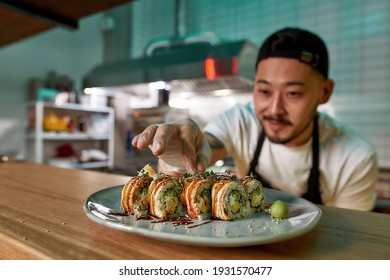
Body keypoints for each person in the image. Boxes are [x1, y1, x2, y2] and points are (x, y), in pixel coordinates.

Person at [132, 27, 378, 211]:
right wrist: (179, 152)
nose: (274, 109)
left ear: (324, 92)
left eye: (293, 93)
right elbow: (206, 145)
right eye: (264, 91)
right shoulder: (241, 120)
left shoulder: (354, 157)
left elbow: (346, 241)